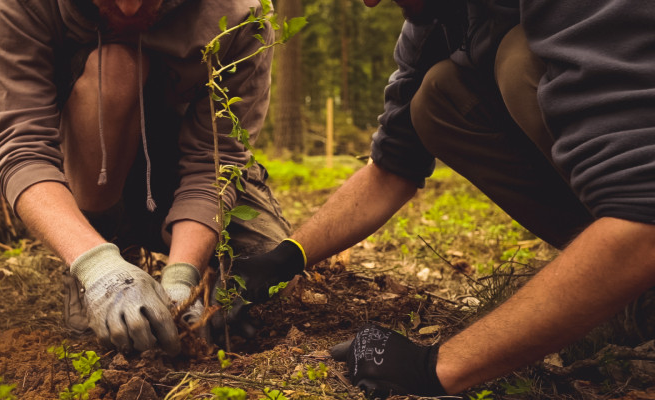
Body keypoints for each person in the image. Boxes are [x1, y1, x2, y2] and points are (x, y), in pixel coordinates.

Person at [228, 0, 655, 396]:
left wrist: (435, 366)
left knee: (518, 59)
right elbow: (391, 167)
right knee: (436, 96)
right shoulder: (437, 19)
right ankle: (626, 287)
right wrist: (288, 256)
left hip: (641, 214)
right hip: (635, 217)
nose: (371, 2)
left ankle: (625, 271)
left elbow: (643, 215)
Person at [0, 0, 291, 356]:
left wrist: (182, 278)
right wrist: (98, 268)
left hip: (178, 171)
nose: (129, 11)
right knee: (115, 68)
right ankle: (101, 241)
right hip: (88, 168)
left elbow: (214, 161)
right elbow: (22, 148)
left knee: (268, 263)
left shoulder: (241, 14)